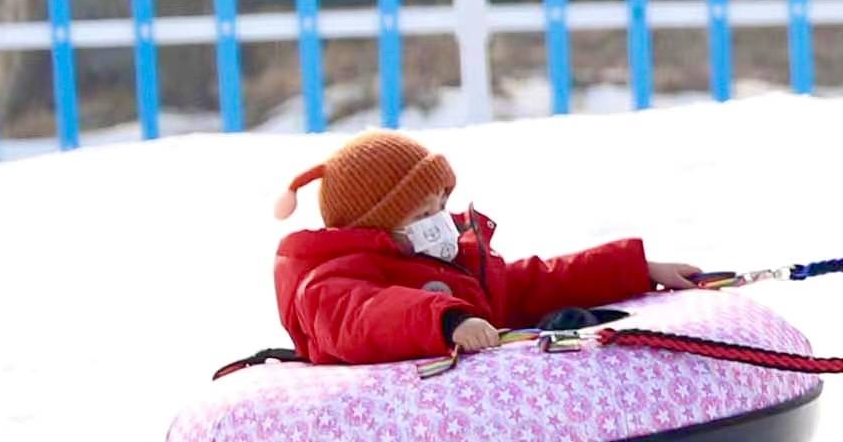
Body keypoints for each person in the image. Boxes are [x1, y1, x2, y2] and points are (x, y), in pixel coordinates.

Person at [270, 129, 710, 367]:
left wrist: (638, 268)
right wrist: (448, 321)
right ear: (375, 227)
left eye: (442, 205)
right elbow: (363, 315)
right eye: (423, 215)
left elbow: (530, 283)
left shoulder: (451, 264)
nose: (440, 222)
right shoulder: (329, 283)